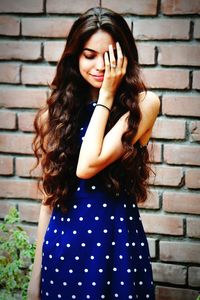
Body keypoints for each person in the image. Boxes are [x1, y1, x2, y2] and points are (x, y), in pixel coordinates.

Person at [28, 6, 160, 300]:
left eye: (110, 55)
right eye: (89, 55)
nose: (100, 65)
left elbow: (88, 165)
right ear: (75, 57)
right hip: (63, 248)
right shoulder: (59, 112)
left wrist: (107, 96)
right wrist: (35, 277)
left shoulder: (143, 104)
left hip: (116, 247)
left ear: (124, 56)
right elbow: (50, 198)